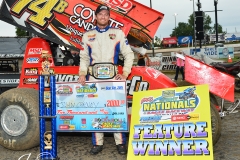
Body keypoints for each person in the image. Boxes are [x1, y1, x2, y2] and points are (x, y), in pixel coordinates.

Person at [78, 4, 134, 155]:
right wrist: (82, 73)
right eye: (100, 14)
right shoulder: (87, 35)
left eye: (106, 14)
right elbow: (83, 57)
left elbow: (129, 54)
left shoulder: (118, 33)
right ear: (95, 17)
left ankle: (121, 143)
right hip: (94, 79)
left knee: (116, 109)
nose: (103, 17)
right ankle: (98, 143)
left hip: (113, 80)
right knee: (96, 110)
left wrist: (125, 73)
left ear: (109, 17)